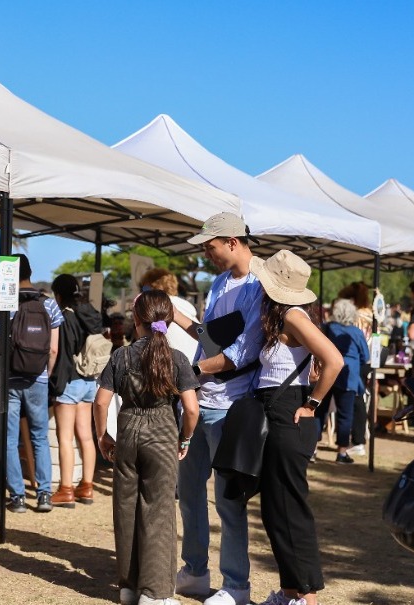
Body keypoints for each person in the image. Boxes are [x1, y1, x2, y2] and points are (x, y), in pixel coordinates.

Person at [170, 212, 263, 605]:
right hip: (201, 401)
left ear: (231, 241)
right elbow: (212, 342)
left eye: (209, 247)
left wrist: (187, 373)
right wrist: (180, 319)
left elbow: (243, 353)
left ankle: (236, 584)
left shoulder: (261, 284)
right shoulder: (220, 283)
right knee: (189, 493)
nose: (206, 254)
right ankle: (194, 570)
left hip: (232, 406)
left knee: (228, 501)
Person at [94, 290, 200, 605]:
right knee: (159, 511)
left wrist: (104, 435)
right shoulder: (176, 358)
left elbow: (101, 401)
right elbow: (192, 409)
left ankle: (128, 587)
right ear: (168, 320)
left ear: (136, 320)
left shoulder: (121, 356)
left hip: (127, 432)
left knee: (126, 508)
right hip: (163, 433)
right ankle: (154, 593)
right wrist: (186, 437)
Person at [250, 250, 343, 605]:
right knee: (276, 509)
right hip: (280, 411)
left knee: (289, 508)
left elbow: (334, 359)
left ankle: (306, 596)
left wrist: (313, 403)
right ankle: (292, 592)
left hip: (289, 413)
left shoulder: (292, 315)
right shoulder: (283, 316)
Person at [0, 254, 63, 513]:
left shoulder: (2, 302)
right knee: (39, 436)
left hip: (9, 379)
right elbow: (53, 349)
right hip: (37, 378)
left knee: (9, 436)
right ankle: (44, 495)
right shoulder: (48, 304)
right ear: (30, 272)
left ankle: (16, 497)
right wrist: (46, 375)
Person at [49, 273, 98, 508]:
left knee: (65, 437)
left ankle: (66, 488)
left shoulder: (64, 317)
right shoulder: (90, 313)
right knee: (86, 436)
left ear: (58, 294)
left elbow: (59, 352)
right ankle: (87, 487)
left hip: (70, 380)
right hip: (90, 378)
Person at [318, 298, 370, 463]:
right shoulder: (356, 332)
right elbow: (366, 357)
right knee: (345, 415)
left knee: (319, 411)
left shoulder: (327, 328)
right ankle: (341, 452)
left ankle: (312, 449)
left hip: (326, 372)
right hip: (348, 375)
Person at [139, 268, 199, 363]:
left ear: (154, 287)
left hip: (176, 367)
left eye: (145, 288)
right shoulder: (186, 307)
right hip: (196, 365)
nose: (142, 293)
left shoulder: (157, 306)